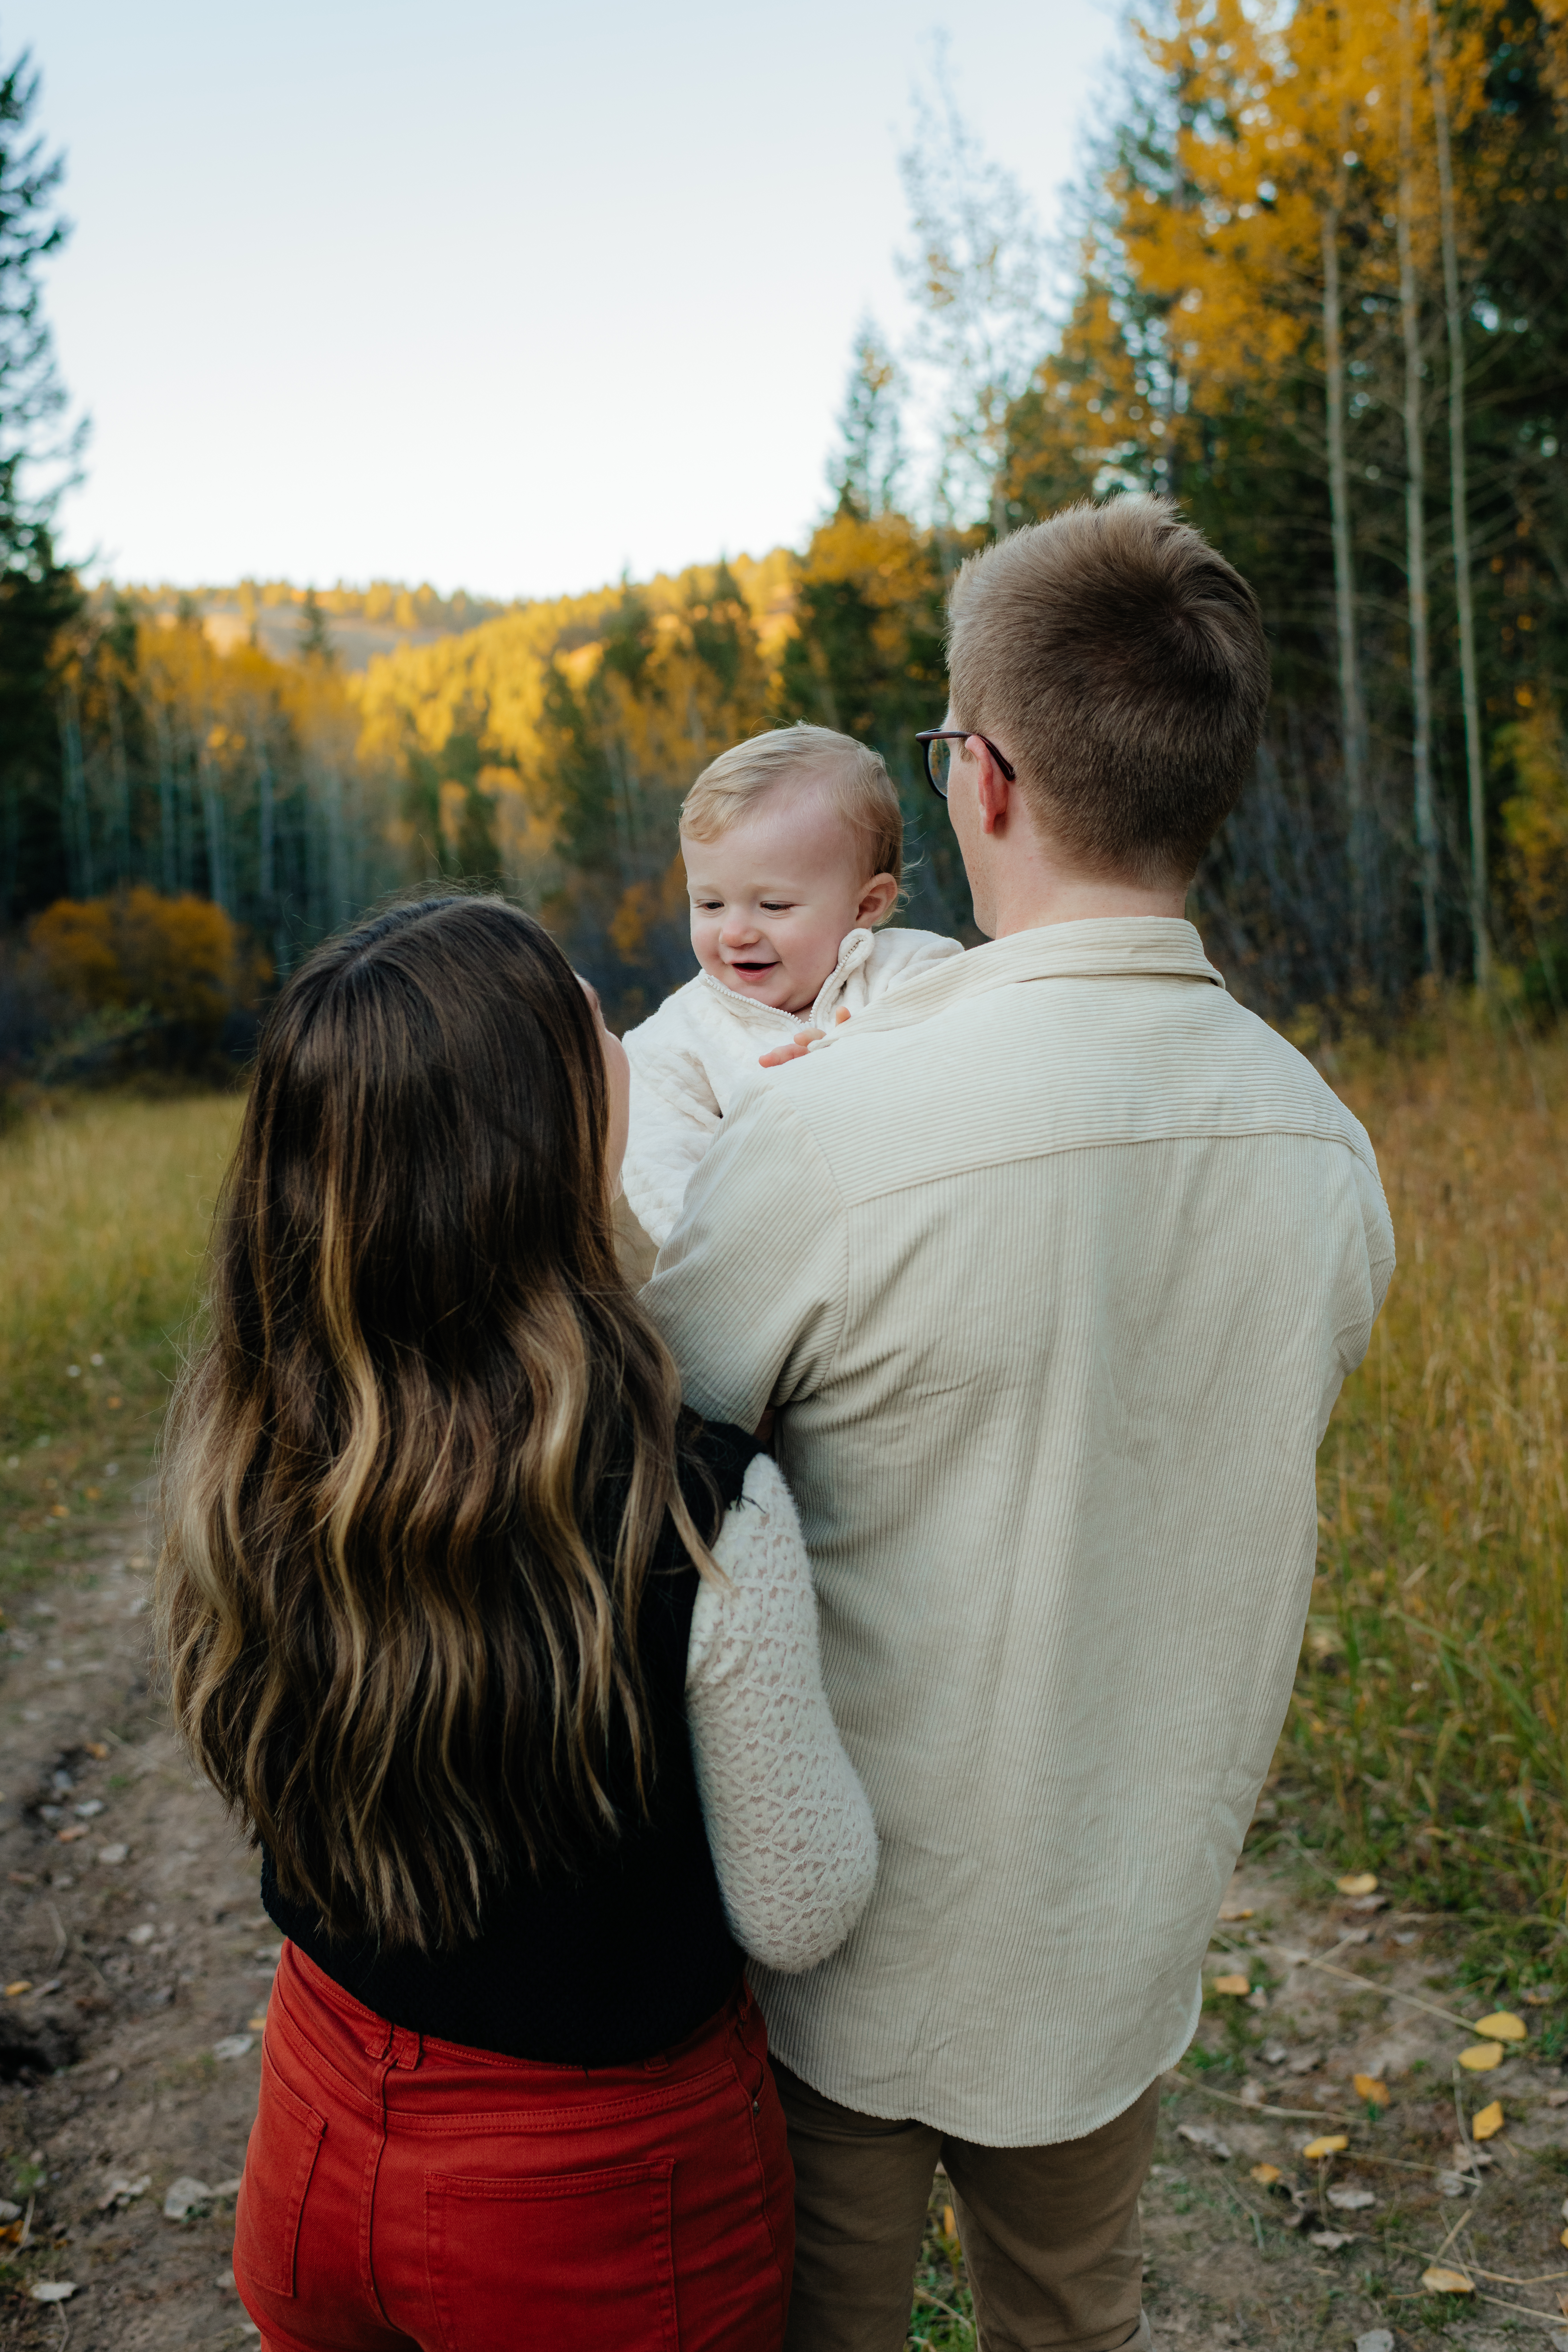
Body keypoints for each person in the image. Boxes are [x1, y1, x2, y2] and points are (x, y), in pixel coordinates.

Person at [644, 495, 1396, 2352]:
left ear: (978, 779)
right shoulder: (1325, 1150)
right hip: (1117, 1930)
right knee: (1076, 2315)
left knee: (819, 2318)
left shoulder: (823, 1134)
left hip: (840, 1949)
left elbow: (658, 1477)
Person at [155, 896, 878, 2352]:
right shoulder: (688, 1503)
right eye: (596, 1022)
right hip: (592, 2207)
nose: (626, 1037)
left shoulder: (251, 1439)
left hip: (312, 2129)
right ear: (540, 1125)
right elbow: (801, 1908)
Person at [620, 723, 961, 1250]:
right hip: (780, 1272)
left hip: (931, 1240)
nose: (735, 932)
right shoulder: (668, 1051)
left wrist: (855, 1075)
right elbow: (673, 1204)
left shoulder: (917, 971)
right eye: (709, 904)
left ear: (867, 905)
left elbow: (970, 1087)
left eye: (774, 906)